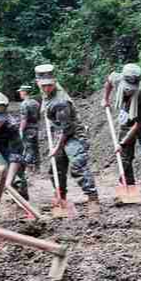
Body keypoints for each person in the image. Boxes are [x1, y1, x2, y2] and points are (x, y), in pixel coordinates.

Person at [36, 64, 100, 214]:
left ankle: (93, 199)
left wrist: (56, 148)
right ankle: (61, 199)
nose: (47, 89)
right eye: (43, 86)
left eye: (50, 85)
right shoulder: (47, 94)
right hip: (59, 133)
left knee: (78, 165)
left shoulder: (60, 101)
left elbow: (66, 129)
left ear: (55, 82)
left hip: (73, 135)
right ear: (37, 82)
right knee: (56, 169)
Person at [102, 64, 141, 201]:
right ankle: (129, 188)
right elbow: (109, 81)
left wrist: (122, 143)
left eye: (131, 89)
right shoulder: (117, 79)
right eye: (126, 88)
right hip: (126, 120)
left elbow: (138, 124)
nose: (128, 91)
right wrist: (105, 99)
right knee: (125, 158)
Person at [18, 85, 40, 175]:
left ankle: (28, 169)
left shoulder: (24, 104)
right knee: (34, 147)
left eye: (20, 92)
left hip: (27, 129)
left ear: (24, 92)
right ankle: (36, 168)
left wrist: (20, 130)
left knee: (28, 148)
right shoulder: (36, 103)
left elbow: (24, 119)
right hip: (35, 127)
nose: (20, 94)